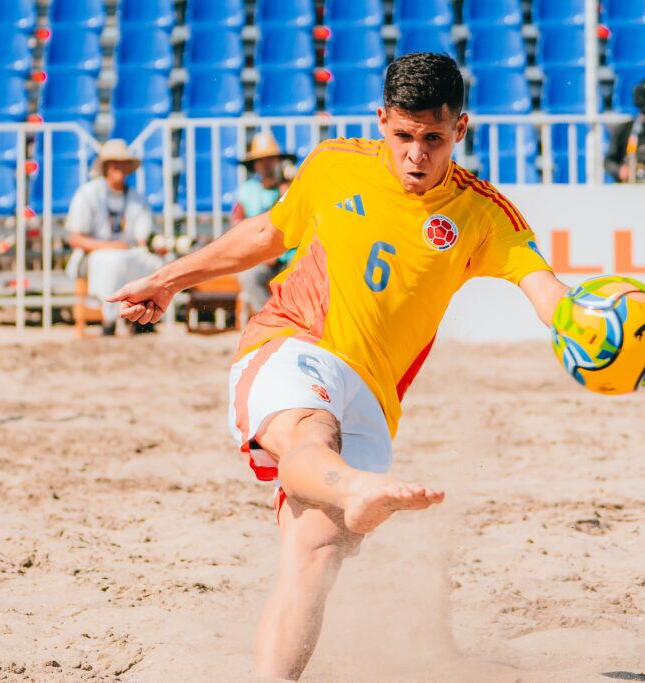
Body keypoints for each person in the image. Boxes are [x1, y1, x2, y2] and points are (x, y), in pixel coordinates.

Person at [108, 53, 571, 680]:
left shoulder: (483, 213)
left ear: (459, 130)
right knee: (309, 437)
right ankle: (354, 487)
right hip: (293, 343)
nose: (416, 154)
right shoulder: (334, 165)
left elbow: (544, 287)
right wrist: (169, 280)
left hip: (375, 400)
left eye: (433, 138)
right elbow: (267, 235)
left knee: (314, 556)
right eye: (403, 135)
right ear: (381, 120)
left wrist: (580, 324)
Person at [64, 139, 164, 335]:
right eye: (113, 163)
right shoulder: (88, 194)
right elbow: (75, 239)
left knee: (156, 263)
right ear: (106, 167)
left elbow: (144, 236)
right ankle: (108, 320)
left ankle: (145, 317)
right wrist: (108, 245)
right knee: (112, 262)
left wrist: (155, 244)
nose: (118, 168)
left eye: (122, 163)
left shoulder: (137, 198)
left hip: (129, 252)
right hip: (94, 255)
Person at [231, 133, 297, 316]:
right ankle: (269, 320)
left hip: (291, 254)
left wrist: (287, 193)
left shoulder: (294, 188)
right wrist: (260, 253)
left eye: (271, 159)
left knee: (303, 271)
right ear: (255, 164)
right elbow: (237, 228)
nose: (267, 164)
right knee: (249, 276)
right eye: (262, 160)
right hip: (260, 255)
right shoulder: (246, 192)